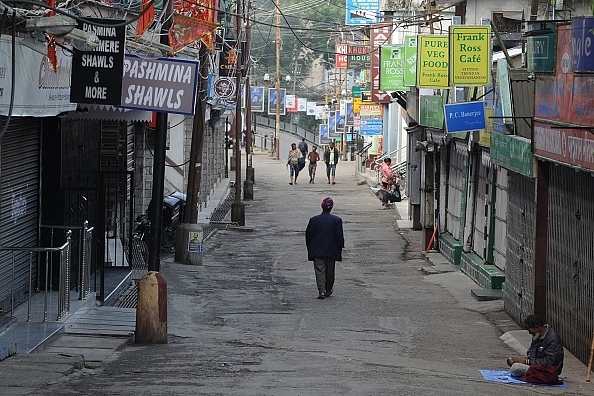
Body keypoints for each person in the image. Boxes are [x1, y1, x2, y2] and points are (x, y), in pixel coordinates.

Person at [305, 197, 344, 299]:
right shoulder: (336, 220)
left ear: (322, 206)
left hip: (317, 249)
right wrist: (340, 247)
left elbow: (308, 235)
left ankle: (321, 291)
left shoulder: (314, 220)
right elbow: (339, 236)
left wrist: (310, 247)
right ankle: (328, 289)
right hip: (332, 249)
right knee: (330, 271)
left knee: (319, 270)